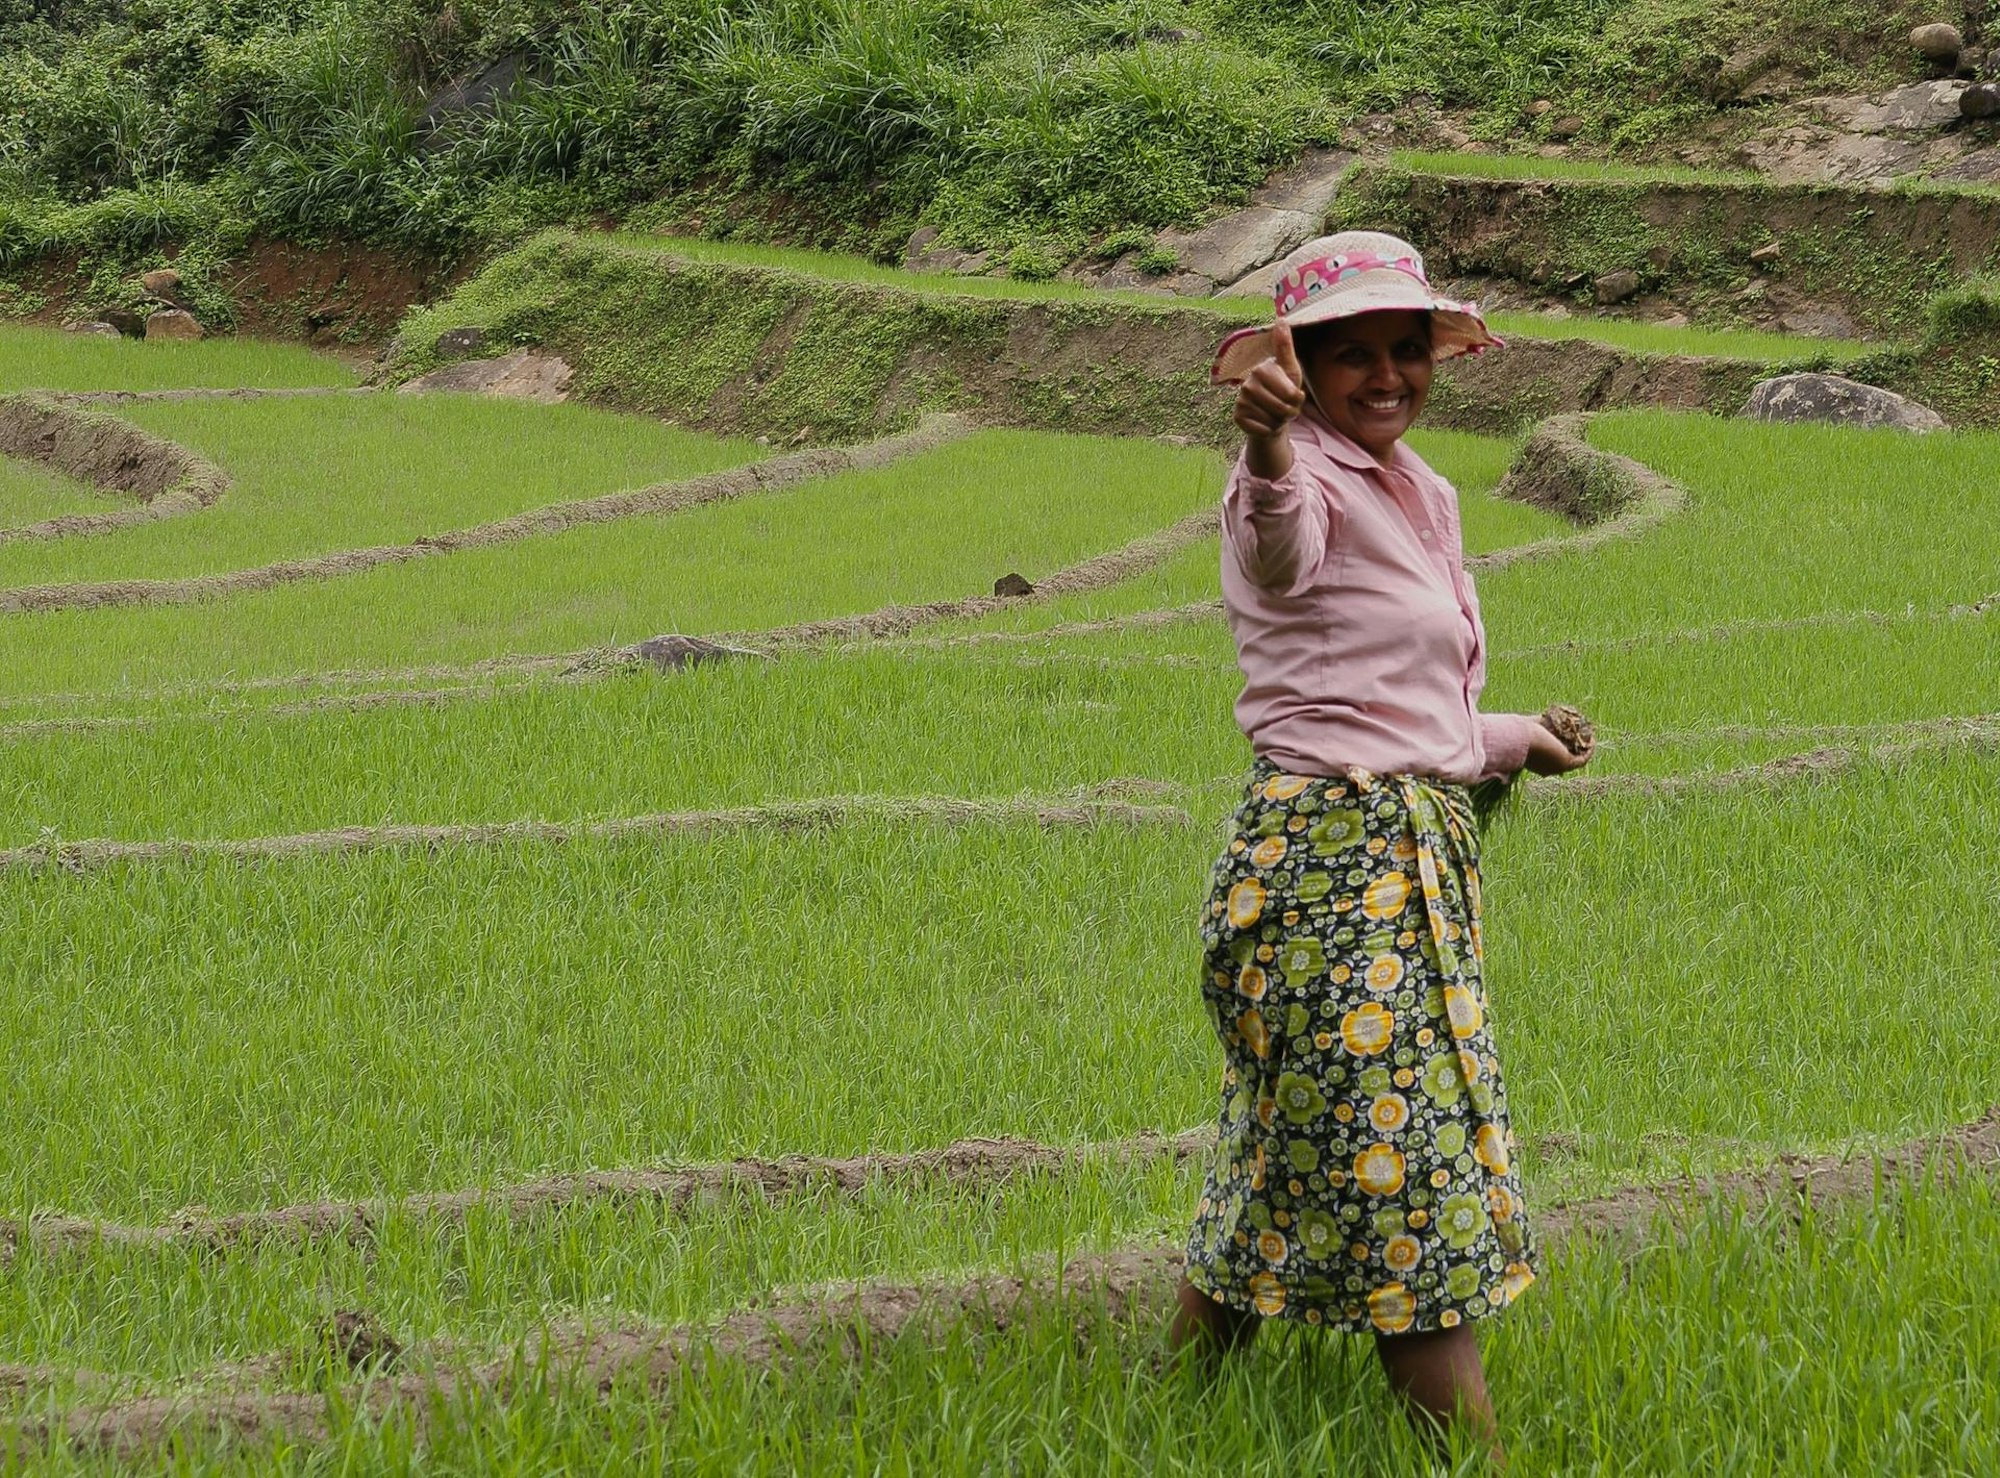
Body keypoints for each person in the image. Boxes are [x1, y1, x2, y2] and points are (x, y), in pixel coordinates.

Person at [1170, 231, 1594, 1465]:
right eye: (1346, 353)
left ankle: (1175, 1396)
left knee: (1284, 1138)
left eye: (1403, 347)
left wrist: (1517, 736)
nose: (1385, 373)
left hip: (1408, 851)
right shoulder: (1289, 473)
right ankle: (1469, 1449)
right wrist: (1258, 445)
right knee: (1395, 1151)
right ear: (1294, 368)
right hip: (1324, 868)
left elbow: (1411, 703)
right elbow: (1278, 553)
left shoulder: (1425, 490)